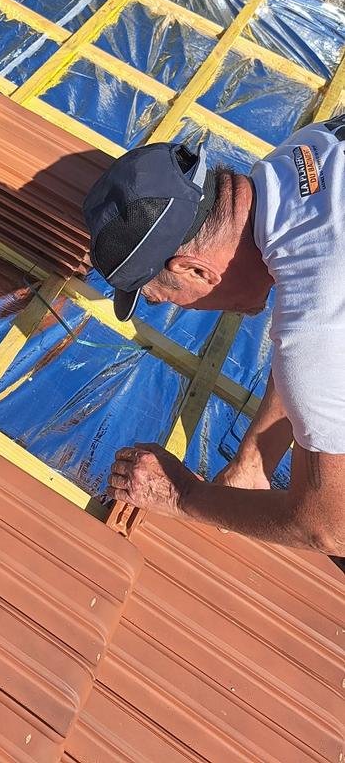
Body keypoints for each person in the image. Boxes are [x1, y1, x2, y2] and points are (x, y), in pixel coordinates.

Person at [83, 117, 345, 555]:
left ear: (194, 269)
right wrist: (254, 458)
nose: (181, 309)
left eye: (165, 299)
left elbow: (330, 528)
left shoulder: (318, 318)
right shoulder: (304, 155)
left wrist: (184, 495)